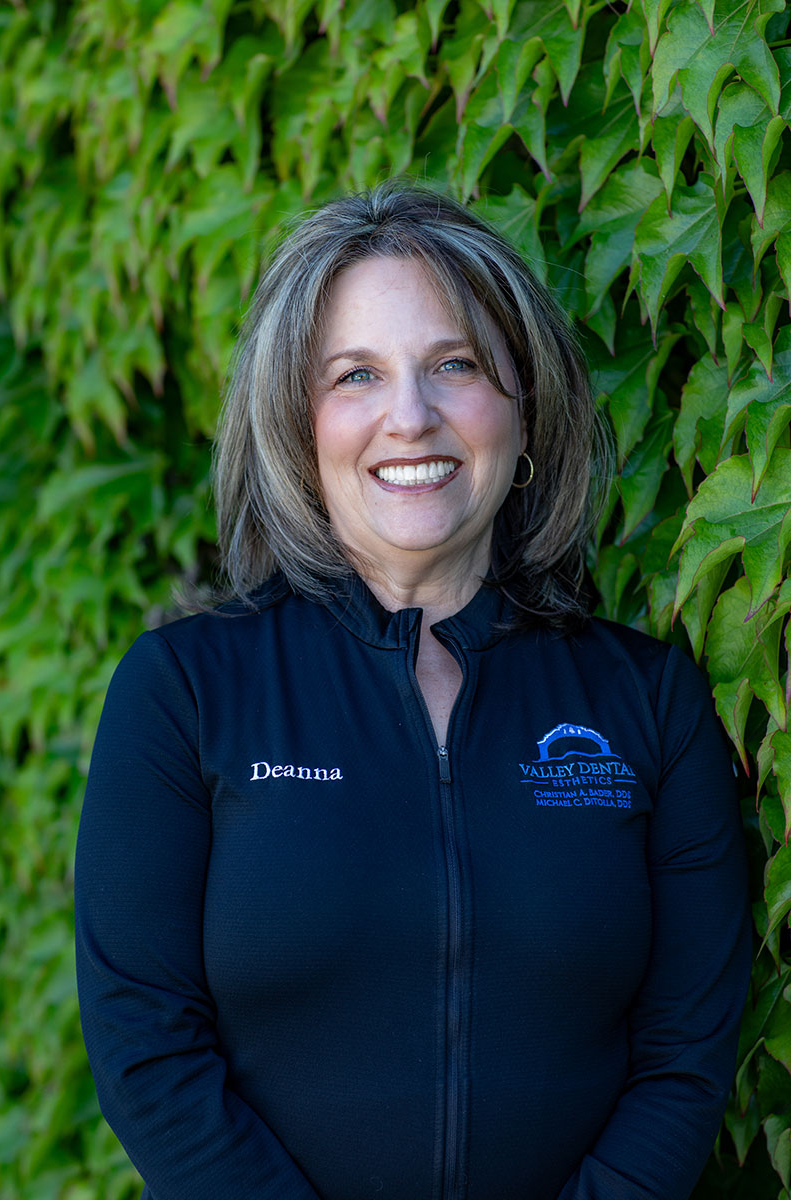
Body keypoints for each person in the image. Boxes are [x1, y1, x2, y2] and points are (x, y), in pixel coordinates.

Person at [75, 182, 751, 1200]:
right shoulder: (184, 694)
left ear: (523, 408)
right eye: (355, 376)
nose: (410, 417)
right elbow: (147, 1047)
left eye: (454, 365)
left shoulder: (645, 701)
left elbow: (684, 1053)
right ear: (298, 427)